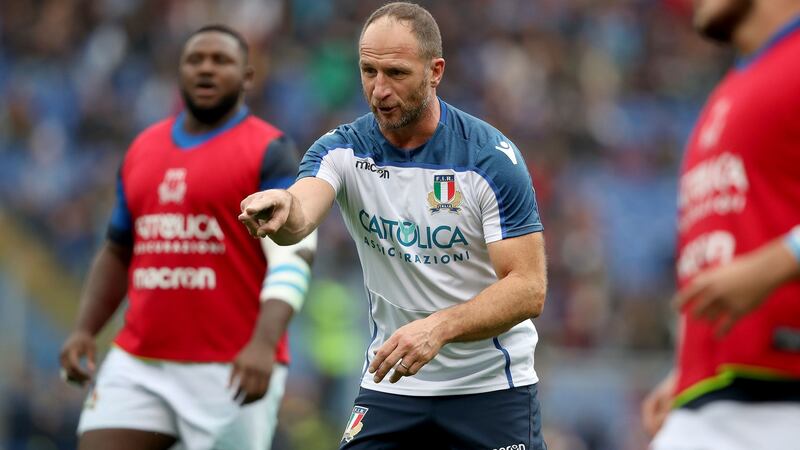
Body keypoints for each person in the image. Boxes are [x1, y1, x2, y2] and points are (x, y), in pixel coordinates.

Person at [238, 2, 548, 449]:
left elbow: (528, 288)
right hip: (393, 382)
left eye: (396, 73)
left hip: (491, 387)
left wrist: (437, 328)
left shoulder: (489, 160)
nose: (379, 90)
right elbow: (301, 212)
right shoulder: (342, 150)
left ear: (435, 71)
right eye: (369, 71)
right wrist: (283, 205)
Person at [58, 24, 316, 450]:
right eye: (195, 60)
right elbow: (118, 249)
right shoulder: (143, 148)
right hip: (140, 360)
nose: (206, 69)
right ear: (179, 71)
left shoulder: (269, 151)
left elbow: (295, 256)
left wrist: (264, 345)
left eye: (221, 60)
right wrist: (85, 329)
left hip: (231, 366)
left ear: (247, 76)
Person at [641, 1, 800, 448]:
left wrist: (776, 264)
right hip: (717, 397)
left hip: (780, 399)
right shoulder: (733, 87)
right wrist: (689, 367)